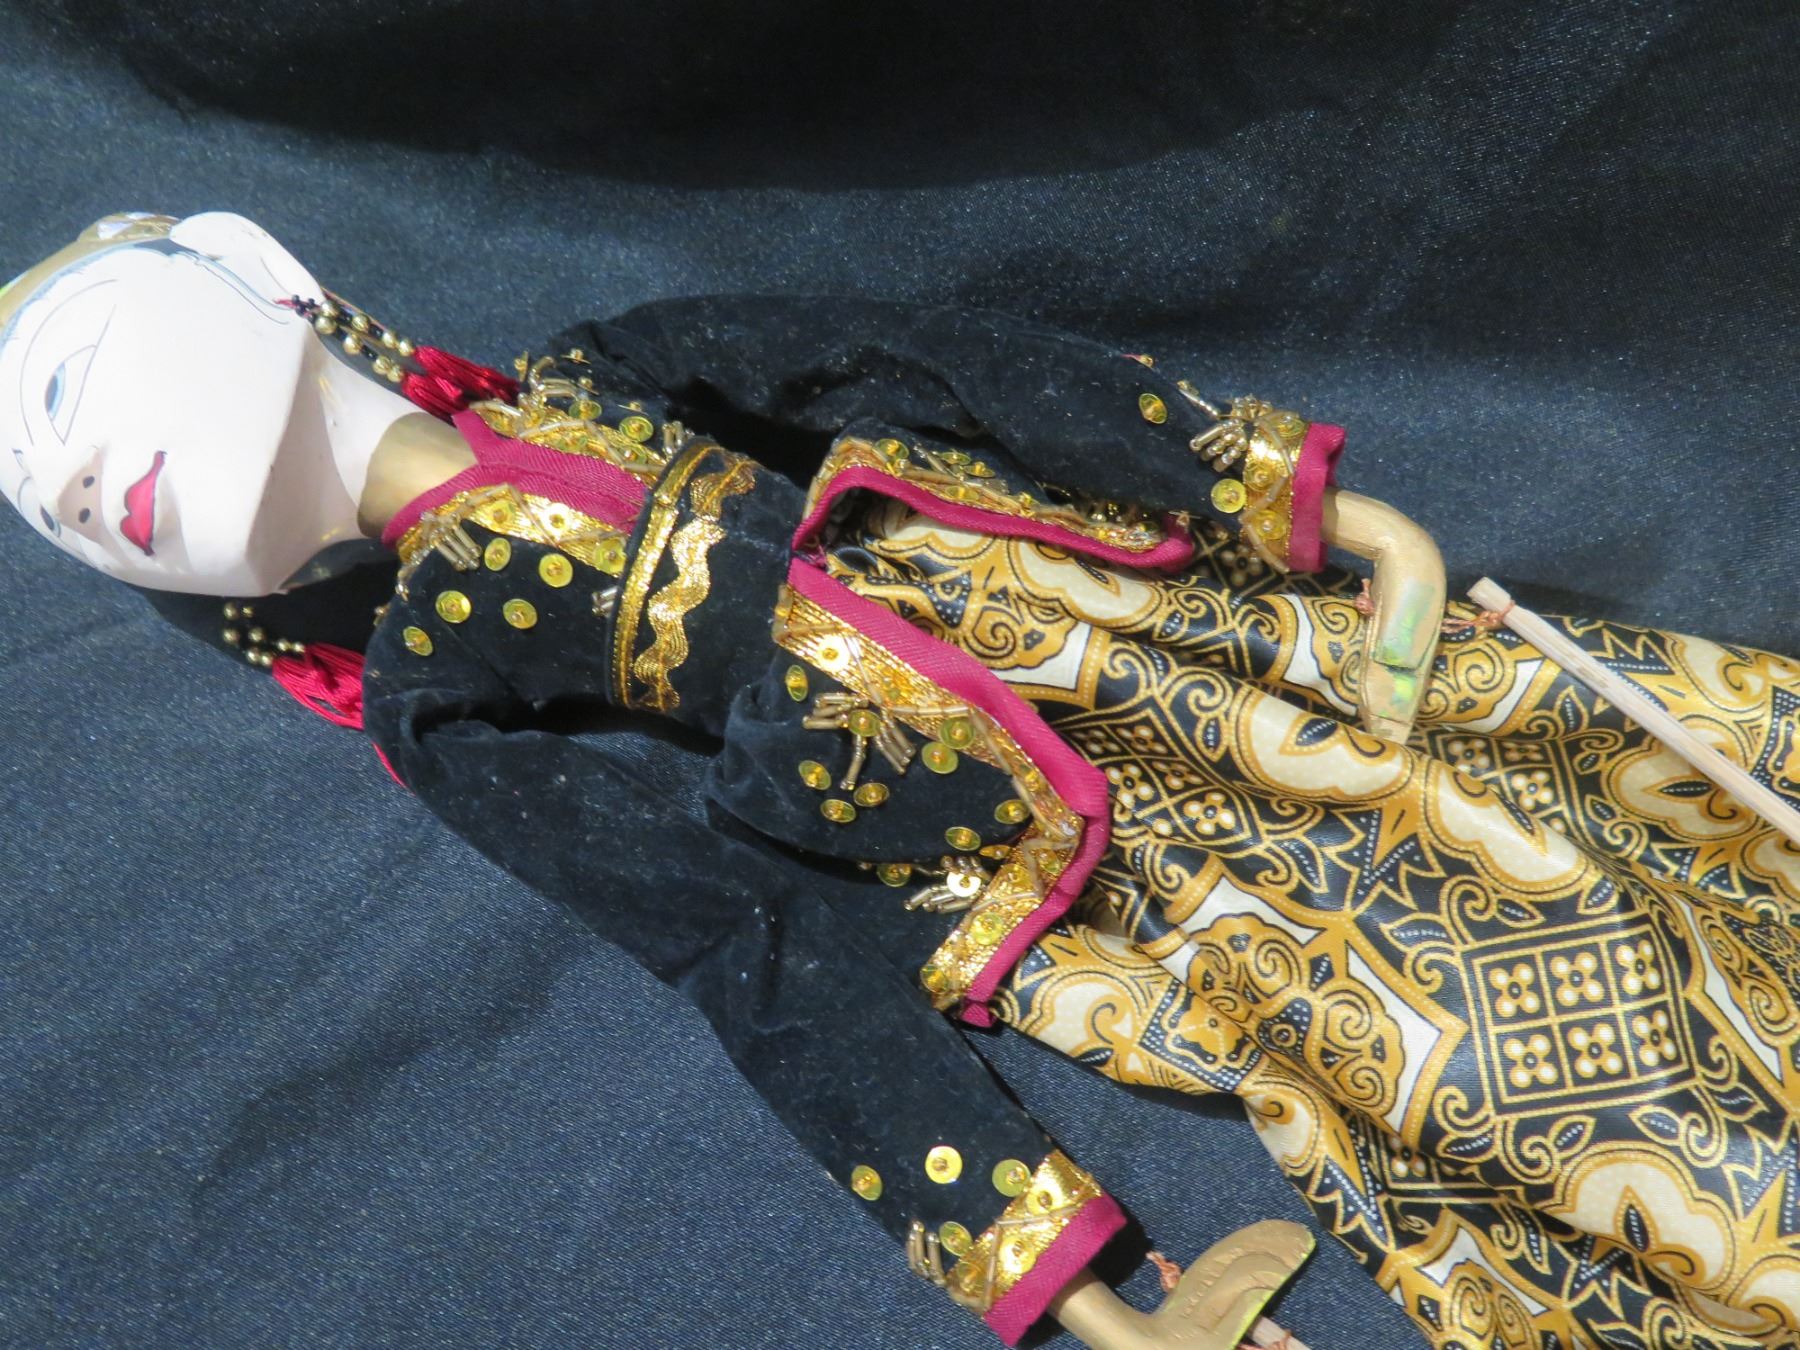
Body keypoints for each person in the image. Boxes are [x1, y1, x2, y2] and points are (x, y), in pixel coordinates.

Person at [5, 211, 1798, 1350]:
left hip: (1105, 623)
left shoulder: (604, 368)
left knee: (1556, 769)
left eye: (78, 377)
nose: (87, 478)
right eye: (53, 503)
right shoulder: (431, 689)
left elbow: (933, 370)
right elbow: (738, 942)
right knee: (1450, 1042)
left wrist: (1294, 502)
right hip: (1003, 844)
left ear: (256, 282)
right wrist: (1044, 1258)